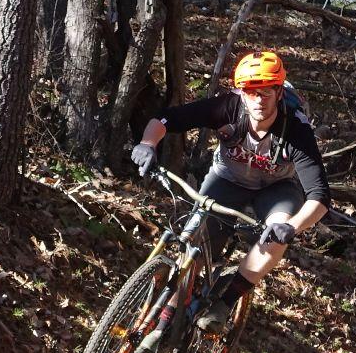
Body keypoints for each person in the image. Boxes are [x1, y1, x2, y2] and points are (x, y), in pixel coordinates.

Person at [128, 49, 330, 328]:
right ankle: (165, 320)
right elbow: (166, 120)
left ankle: (225, 302)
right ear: (241, 93)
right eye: (251, 92)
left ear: (279, 93)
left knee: (276, 233)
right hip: (227, 180)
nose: (259, 100)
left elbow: (319, 196)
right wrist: (148, 144)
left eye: (267, 93)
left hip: (276, 188)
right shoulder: (226, 107)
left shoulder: (296, 130)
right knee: (195, 244)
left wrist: (293, 226)